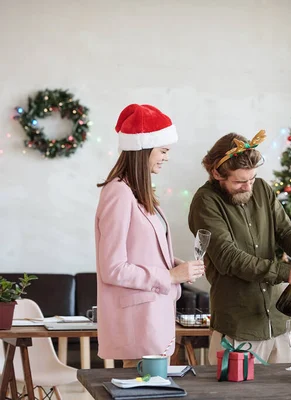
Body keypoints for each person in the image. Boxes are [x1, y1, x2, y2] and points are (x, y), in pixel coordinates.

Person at [188, 130, 291, 365]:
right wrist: (287, 272)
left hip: (278, 324)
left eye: (252, 179)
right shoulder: (205, 202)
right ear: (216, 173)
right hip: (238, 329)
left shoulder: (263, 189)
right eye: (239, 181)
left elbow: (285, 232)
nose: (248, 187)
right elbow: (228, 258)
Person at [95, 104, 205, 367]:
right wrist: (168, 276)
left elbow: (141, 250)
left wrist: (171, 263)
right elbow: (112, 268)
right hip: (138, 325)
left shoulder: (139, 194)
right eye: (163, 150)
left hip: (154, 320)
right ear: (144, 149)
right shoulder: (118, 193)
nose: (166, 158)